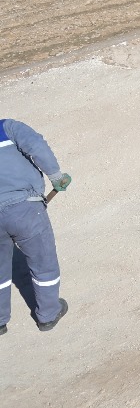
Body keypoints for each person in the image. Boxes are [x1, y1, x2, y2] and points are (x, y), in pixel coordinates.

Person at [0, 118, 72, 333]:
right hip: (24, 209)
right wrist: (56, 177)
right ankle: (48, 314)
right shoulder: (7, 128)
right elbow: (37, 146)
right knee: (43, 261)